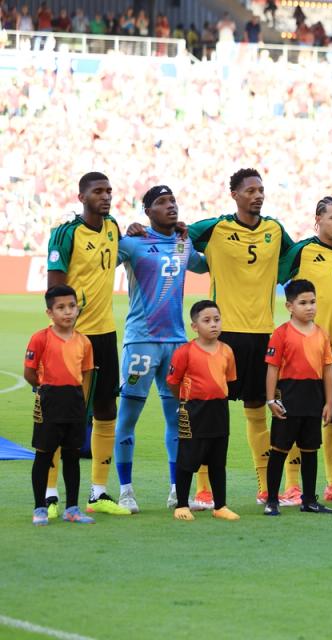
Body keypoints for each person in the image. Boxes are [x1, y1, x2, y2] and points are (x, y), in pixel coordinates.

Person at [186, 169, 296, 504]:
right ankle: (204, 491)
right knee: (208, 410)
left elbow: (298, 255)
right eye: (250, 190)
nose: (258, 195)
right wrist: (203, 264)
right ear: (234, 194)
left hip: (262, 333)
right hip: (221, 334)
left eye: (261, 190)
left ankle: (266, 487)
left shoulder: (274, 230)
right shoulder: (215, 227)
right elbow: (174, 236)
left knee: (258, 410)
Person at [113, 186, 207, 513]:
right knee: (128, 416)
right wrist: (122, 231)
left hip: (176, 344)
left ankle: (175, 492)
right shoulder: (133, 243)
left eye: (172, 201)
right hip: (141, 341)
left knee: (177, 418)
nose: (170, 206)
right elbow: (101, 259)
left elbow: (204, 264)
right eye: (161, 203)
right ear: (147, 211)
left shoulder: (184, 242)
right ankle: (125, 490)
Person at [47, 172, 129, 516]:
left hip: (105, 334)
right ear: (81, 197)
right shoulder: (66, 233)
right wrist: (64, 332)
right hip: (72, 338)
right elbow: (54, 290)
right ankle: (50, 496)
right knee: (62, 414)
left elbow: (115, 260)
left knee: (106, 410)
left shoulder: (113, 227)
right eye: (98, 191)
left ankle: (98, 494)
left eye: (109, 190)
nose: (106, 196)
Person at [279, 196, 332, 504]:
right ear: (318, 220)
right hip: (306, 347)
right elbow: (278, 275)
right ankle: (293, 485)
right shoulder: (302, 251)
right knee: (300, 414)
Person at [263, 279, 332, 516]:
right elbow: (272, 368)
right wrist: (271, 400)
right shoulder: (281, 333)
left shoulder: (322, 334)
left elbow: (328, 369)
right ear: (289, 306)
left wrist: (329, 402)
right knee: (279, 450)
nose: (310, 307)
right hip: (288, 398)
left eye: (313, 302)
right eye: (303, 303)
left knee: (310, 450)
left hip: (313, 399)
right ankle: (272, 500)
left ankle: (309, 500)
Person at [26, 285, 95, 526]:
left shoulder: (84, 342)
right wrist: (45, 389)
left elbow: (86, 374)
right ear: (50, 313)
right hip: (49, 402)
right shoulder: (40, 338)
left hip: (74, 403)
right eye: (61, 307)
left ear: (78, 308)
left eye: (72, 306)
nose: (68, 312)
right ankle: (39, 508)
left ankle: (73, 508)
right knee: (44, 456)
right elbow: (29, 373)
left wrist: (82, 402)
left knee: (72, 456)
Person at [166, 300, 240, 520]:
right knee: (187, 459)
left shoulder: (227, 351)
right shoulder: (184, 352)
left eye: (217, 319)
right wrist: (184, 401)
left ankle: (220, 506)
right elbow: (172, 381)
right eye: (206, 320)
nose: (213, 324)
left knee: (218, 460)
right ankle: (181, 504)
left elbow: (229, 379)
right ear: (194, 326)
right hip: (193, 411)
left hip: (219, 410)